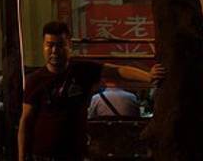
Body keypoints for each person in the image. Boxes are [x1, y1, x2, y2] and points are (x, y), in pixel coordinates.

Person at [18, 21, 166, 161]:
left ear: (69, 45)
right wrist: (21, 157)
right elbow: (26, 121)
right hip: (42, 156)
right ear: (43, 46)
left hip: (74, 155)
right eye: (50, 45)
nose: (54, 51)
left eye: (60, 45)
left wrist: (148, 76)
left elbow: (118, 71)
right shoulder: (35, 80)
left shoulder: (82, 71)